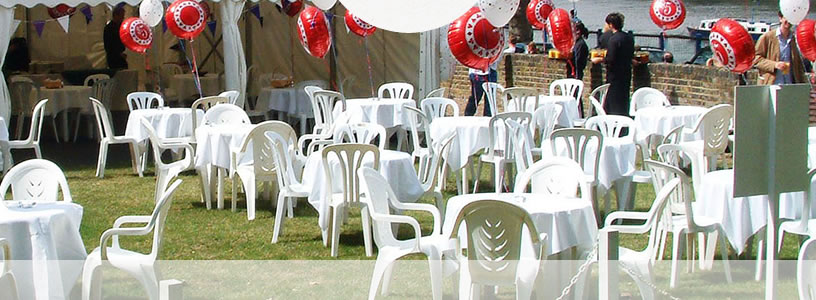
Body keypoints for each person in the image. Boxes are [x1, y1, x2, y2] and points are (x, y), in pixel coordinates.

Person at [591, 12, 634, 116]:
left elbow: (611, 59)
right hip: (626, 72)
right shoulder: (628, 37)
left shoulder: (613, 40)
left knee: (613, 101)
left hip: (615, 75)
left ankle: (614, 124)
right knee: (624, 100)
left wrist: (599, 59)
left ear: (611, 25)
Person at [754, 11, 806, 85]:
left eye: (791, 18)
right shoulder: (767, 37)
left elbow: (798, 64)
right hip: (771, 84)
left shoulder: (794, 39)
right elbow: (755, 59)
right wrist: (774, 65)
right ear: (780, 18)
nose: (789, 21)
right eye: (786, 18)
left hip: (790, 85)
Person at [103, 5, 127, 69]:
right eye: (121, 16)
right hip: (113, 59)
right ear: (116, 15)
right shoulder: (109, 28)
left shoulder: (121, 27)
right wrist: (118, 54)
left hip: (122, 57)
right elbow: (108, 46)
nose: (122, 18)